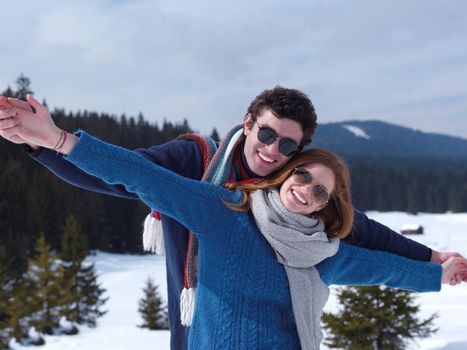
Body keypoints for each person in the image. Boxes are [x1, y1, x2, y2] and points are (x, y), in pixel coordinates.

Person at [0, 91, 463, 350]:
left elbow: (363, 241)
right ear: (248, 123)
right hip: (199, 318)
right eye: (267, 134)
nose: (273, 151)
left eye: (289, 148)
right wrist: (50, 141)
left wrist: (431, 262)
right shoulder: (205, 181)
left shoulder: (312, 231)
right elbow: (132, 175)